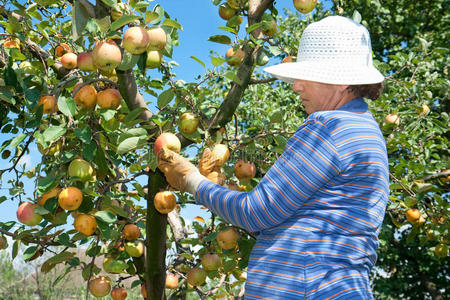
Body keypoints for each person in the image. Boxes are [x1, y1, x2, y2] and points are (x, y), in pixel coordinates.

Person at [158, 16, 388, 299]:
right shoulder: (365, 130)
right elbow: (294, 221)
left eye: (306, 76)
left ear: (339, 81)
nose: (296, 87)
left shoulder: (329, 127)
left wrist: (191, 180)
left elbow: (256, 212)